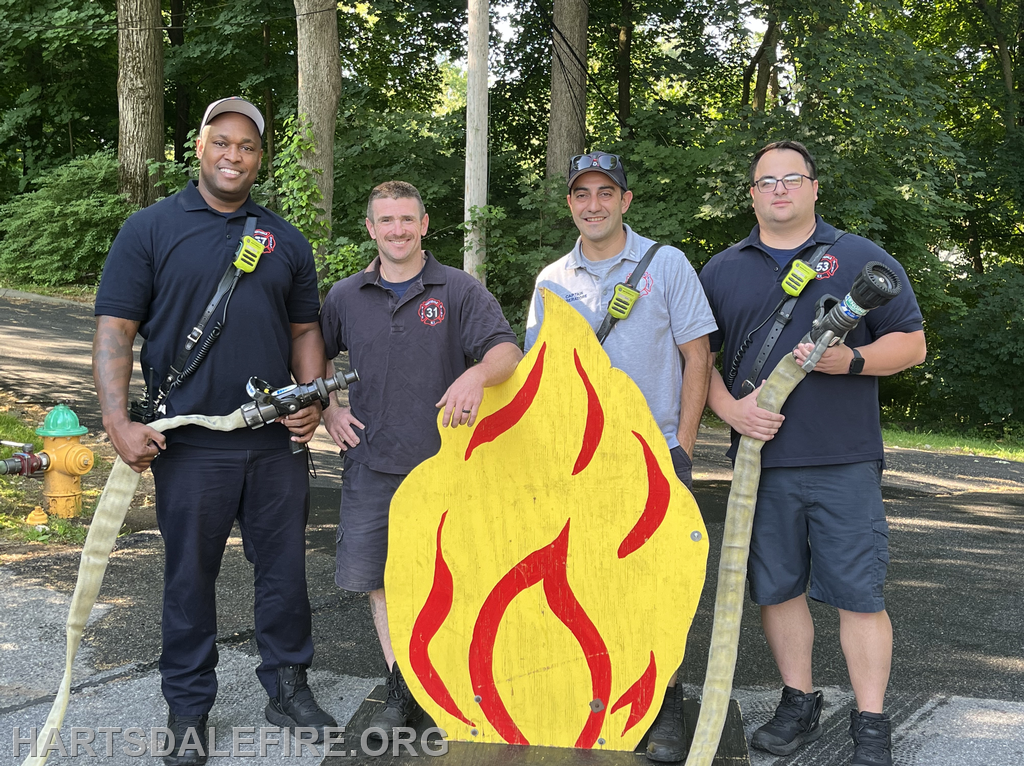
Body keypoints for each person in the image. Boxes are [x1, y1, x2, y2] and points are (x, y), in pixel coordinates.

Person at [93, 97, 336, 766]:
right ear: (199, 148)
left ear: (260, 158)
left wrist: (309, 400)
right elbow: (115, 329)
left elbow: (305, 330)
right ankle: (189, 709)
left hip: (273, 445)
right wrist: (118, 419)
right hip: (189, 442)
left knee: (285, 574)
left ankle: (288, 687)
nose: (234, 155)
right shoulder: (149, 229)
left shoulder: (284, 238)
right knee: (190, 579)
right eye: (222, 142)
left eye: (248, 146)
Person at [700, 140, 927, 766]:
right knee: (777, 590)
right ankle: (798, 701)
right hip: (761, 462)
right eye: (766, 181)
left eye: (791, 179)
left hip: (843, 460)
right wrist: (727, 409)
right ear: (752, 194)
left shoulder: (859, 257)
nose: (779, 190)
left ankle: (871, 725)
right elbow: (696, 358)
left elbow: (912, 345)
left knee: (859, 594)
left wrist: (848, 359)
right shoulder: (722, 269)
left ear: (814, 188)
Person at [524, 151, 717, 763]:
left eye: (606, 192)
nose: (594, 204)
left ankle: (663, 708)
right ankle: (591, 699)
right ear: (571, 206)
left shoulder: (668, 265)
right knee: (581, 587)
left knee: (654, 588)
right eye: (582, 194)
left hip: (652, 456)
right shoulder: (552, 280)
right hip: (577, 466)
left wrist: (683, 447)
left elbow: (698, 356)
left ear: (626, 200)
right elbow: (539, 375)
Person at [318, 180, 522, 738]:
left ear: (425, 223)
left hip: (452, 471)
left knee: (459, 579)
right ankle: (401, 687)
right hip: (371, 464)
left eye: (407, 219)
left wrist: (477, 373)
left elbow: (508, 350)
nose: (398, 230)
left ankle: (458, 685)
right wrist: (329, 409)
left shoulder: (458, 290)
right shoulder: (344, 296)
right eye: (386, 220)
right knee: (382, 583)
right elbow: (311, 355)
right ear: (370, 228)